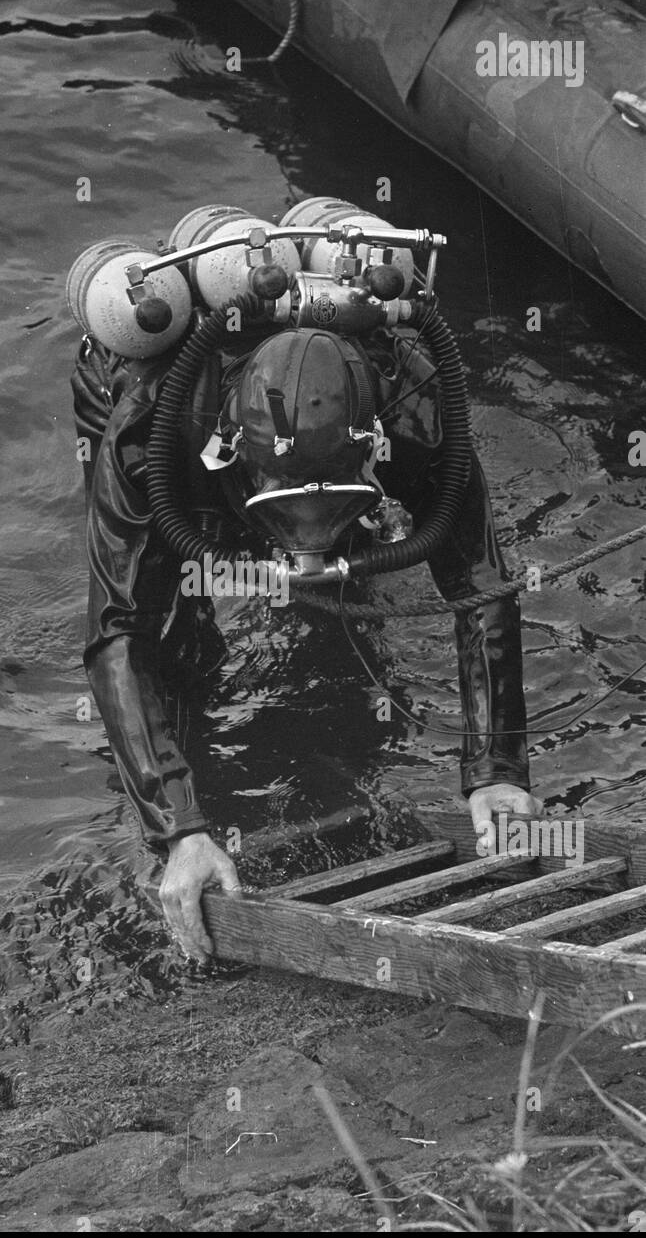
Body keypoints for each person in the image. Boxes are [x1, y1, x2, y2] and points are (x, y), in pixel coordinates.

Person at [70, 234, 541, 963]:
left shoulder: (414, 407)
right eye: (294, 517)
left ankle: (339, 550)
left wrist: (496, 774)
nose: (307, 541)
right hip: (160, 424)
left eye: (328, 511)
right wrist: (183, 833)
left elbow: (478, 582)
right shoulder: (149, 432)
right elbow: (117, 630)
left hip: (328, 459)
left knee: (349, 595)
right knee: (177, 642)